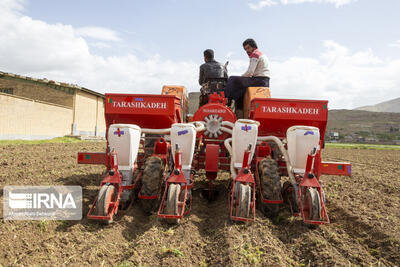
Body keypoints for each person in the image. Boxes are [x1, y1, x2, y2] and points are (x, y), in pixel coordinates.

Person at [224, 38, 270, 116]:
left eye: (248, 48)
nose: (247, 51)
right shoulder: (261, 54)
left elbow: (250, 72)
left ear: (254, 46)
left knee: (232, 79)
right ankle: (239, 111)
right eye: (245, 49)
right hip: (264, 81)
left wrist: (241, 78)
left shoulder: (255, 54)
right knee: (240, 92)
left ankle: (226, 100)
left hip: (259, 80)